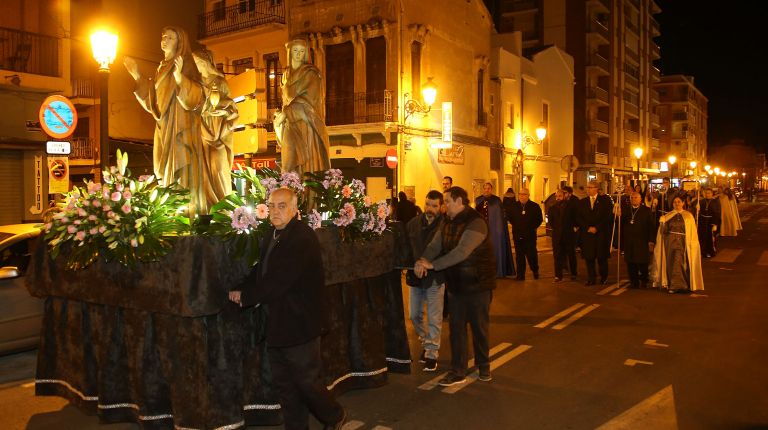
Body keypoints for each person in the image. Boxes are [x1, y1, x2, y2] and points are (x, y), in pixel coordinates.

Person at [228, 188, 346, 430]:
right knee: (285, 385)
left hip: (300, 324)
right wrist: (242, 286)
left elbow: (279, 280)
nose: (275, 211)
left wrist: (247, 296)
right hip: (278, 323)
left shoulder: (302, 238)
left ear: (294, 210)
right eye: (271, 206)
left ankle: (334, 415)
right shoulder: (272, 233)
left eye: (281, 206)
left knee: (307, 382)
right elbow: (262, 271)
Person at [414, 186, 496, 386]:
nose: (444, 205)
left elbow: (462, 252)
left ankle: (484, 366)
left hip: (478, 285)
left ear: (459, 202)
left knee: (479, 328)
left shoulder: (476, 222)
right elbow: (435, 245)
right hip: (457, 284)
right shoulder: (447, 222)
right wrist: (423, 259)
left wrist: (432, 265)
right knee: (456, 329)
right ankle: (458, 371)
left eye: (447, 201)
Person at [124, 26, 207, 214]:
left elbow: (197, 97)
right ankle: (170, 211)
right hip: (163, 125)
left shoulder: (185, 63)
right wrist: (137, 74)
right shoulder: (162, 67)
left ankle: (185, 212)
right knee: (162, 170)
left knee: (180, 169)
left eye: (170, 37)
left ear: (180, 42)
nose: (165, 40)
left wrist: (180, 79)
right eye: (163, 37)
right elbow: (154, 104)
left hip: (181, 125)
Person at [175, 49, 239, 210]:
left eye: (198, 62)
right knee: (201, 173)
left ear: (205, 62)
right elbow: (189, 101)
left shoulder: (220, 82)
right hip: (200, 131)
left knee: (218, 170)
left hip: (218, 133)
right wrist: (179, 76)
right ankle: (206, 208)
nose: (196, 66)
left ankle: (224, 208)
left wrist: (224, 111)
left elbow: (233, 108)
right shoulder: (197, 84)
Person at [273, 39, 331, 180]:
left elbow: (310, 100)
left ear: (306, 54)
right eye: (295, 50)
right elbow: (285, 100)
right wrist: (280, 115)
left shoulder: (311, 74)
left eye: (302, 51)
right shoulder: (285, 75)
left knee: (305, 167)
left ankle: (307, 199)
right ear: (289, 52)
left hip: (305, 124)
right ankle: (289, 196)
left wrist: (286, 113)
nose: (298, 54)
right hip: (289, 125)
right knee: (288, 164)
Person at [405, 190, 446, 372]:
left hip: (435, 278)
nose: (430, 209)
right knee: (414, 315)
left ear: (441, 207)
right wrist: (412, 263)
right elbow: (406, 247)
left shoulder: (445, 226)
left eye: (434, 206)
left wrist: (430, 264)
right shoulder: (413, 224)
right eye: (428, 204)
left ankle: (431, 354)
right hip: (416, 277)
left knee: (434, 318)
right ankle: (426, 340)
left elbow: (446, 251)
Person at [653, 196, 704, 294]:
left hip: (683, 243)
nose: (677, 204)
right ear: (672, 204)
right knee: (671, 262)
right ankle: (671, 284)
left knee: (679, 262)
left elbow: (692, 232)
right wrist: (662, 223)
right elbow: (663, 232)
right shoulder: (668, 216)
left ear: (683, 203)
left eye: (679, 202)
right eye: (675, 202)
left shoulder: (688, 216)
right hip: (670, 243)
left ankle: (679, 285)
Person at [576, 181, 614, 285]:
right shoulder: (582, 202)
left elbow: (608, 217)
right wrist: (587, 227)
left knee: (601, 258)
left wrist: (597, 227)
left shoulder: (604, 201)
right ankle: (591, 278)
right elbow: (578, 217)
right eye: (587, 187)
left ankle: (604, 277)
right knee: (589, 258)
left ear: (596, 188)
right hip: (587, 234)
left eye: (591, 187)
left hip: (600, 234)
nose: (588, 189)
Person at [475, 182, 515, 278]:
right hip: (482, 230)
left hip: (495, 230)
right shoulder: (478, 200)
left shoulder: (497, 201)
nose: (486, 190)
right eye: (485, 188)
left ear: (491, 189)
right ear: (483, 189)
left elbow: (499, 217)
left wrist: (499, 230)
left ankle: (497, 271)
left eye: (488, 188)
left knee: (495, 250)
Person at [617, 192, 656, 288]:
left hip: (642, 240)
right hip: (629, 239)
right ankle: (633, 282)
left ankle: (644, 280)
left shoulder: (646, 210)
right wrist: (618, 216)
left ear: (640, 199)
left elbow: (651, 226)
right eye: (632, 197)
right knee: (630, 262)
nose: (634, 199)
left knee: (642, 262)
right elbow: (620, 224)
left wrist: (651, 240)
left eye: (636, 197)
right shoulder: (626, 210)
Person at [507, 188, 543, 280]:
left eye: (524, 194)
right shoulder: (514, 206)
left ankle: (535, 270)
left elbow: (539, 220)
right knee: (519, 256)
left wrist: (531, 227)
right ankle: (520, 275)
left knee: (531, 255)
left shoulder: (534, 206)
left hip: (529, 235)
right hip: (517, 235)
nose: (522, 196)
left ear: (528, 195)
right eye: (520, 194)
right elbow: (510, 218)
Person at [695, 188, 720, 258]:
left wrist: (715, 224)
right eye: (706, 193)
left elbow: (717, 213)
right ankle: (703, 252)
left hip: (711, 221)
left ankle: (711, 251)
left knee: (710, 238)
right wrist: (697, 208)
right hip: (703, 221)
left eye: (709, 193)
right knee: (702, 237)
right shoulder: (701, 201)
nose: (707, 194)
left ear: (712, 194)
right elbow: (697, 211)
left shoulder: (716, 202)